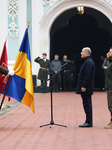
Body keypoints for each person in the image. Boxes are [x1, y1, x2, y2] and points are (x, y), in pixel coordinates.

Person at [76, 47, 95, 128]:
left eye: (82, 52)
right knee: (86, 104)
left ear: (86, 53)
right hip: (86, 87)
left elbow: (87, 75)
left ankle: (89, 121)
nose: (81, 53)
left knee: (87, 104)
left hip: (86, 88)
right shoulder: (87, 61)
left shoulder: (88, 62)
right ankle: (88, 120)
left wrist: (84, 86)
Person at [104, 48, 112, 129]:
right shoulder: (110, 61)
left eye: (110, 51)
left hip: (111, 88)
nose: (108, 53)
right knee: (110, 105)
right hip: (109, 86)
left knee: (111, 105)